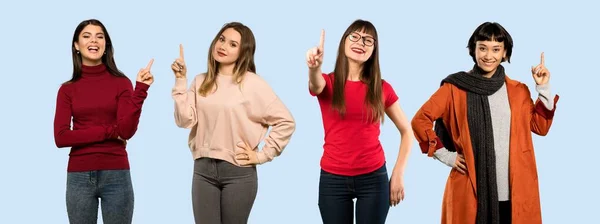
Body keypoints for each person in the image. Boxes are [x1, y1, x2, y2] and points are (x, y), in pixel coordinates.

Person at [411, 22, 559, 224]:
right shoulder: (454, 88)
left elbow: (540, 127)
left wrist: (543, 88)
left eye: (496, 49)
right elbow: (420, 120)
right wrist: (446, 156)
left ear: (505, 53)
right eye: (483, 48)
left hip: (516, 191)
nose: (488, 55)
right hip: (471, 187)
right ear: (473, 50)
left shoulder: (519, 91)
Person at [171, 22, 296, 224]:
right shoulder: (200, 81)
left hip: (238, 173)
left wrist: (263, 155)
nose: (223, 46)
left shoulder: (253, 83)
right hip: (202, 170)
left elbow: (286, 121)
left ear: (243, 52)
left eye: (232, 44)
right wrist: (180, 81)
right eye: (221, 39)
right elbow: (184, 121)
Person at [306, 19, 413, 224]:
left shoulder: (382, 88)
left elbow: (407, 132)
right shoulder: (328, 82)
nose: (360, 42)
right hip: (332, 178)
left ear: (374, 50)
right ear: (344, 42)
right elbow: (315, 84)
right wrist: (314, 68)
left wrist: (398, 174)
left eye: (368, 40)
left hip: (373, 178)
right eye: (354, 36)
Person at [53, 19, 154, 224]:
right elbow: (61, 137)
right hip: (79, 175)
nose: (94, 41)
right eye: (87, 36)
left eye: (100, 36)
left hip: (116, 173)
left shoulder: (121, 83)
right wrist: (108, 131)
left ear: (106, 45)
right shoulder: (67, 89)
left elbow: (125, 131)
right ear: (76, 45)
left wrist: (140, 90)